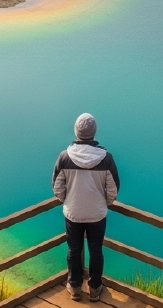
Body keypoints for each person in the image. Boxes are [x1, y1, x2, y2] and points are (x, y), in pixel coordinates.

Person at [52, 113, 120, 302]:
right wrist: (102, 203)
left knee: (74, 250)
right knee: (96, 250)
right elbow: (113, 190)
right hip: (96, 214)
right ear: (94, 132)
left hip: (73, 214)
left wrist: (69, 200)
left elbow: (57, 188)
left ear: (76, 131)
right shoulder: (106, 158)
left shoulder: (65, 157)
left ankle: (74, 288)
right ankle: (95, 289)